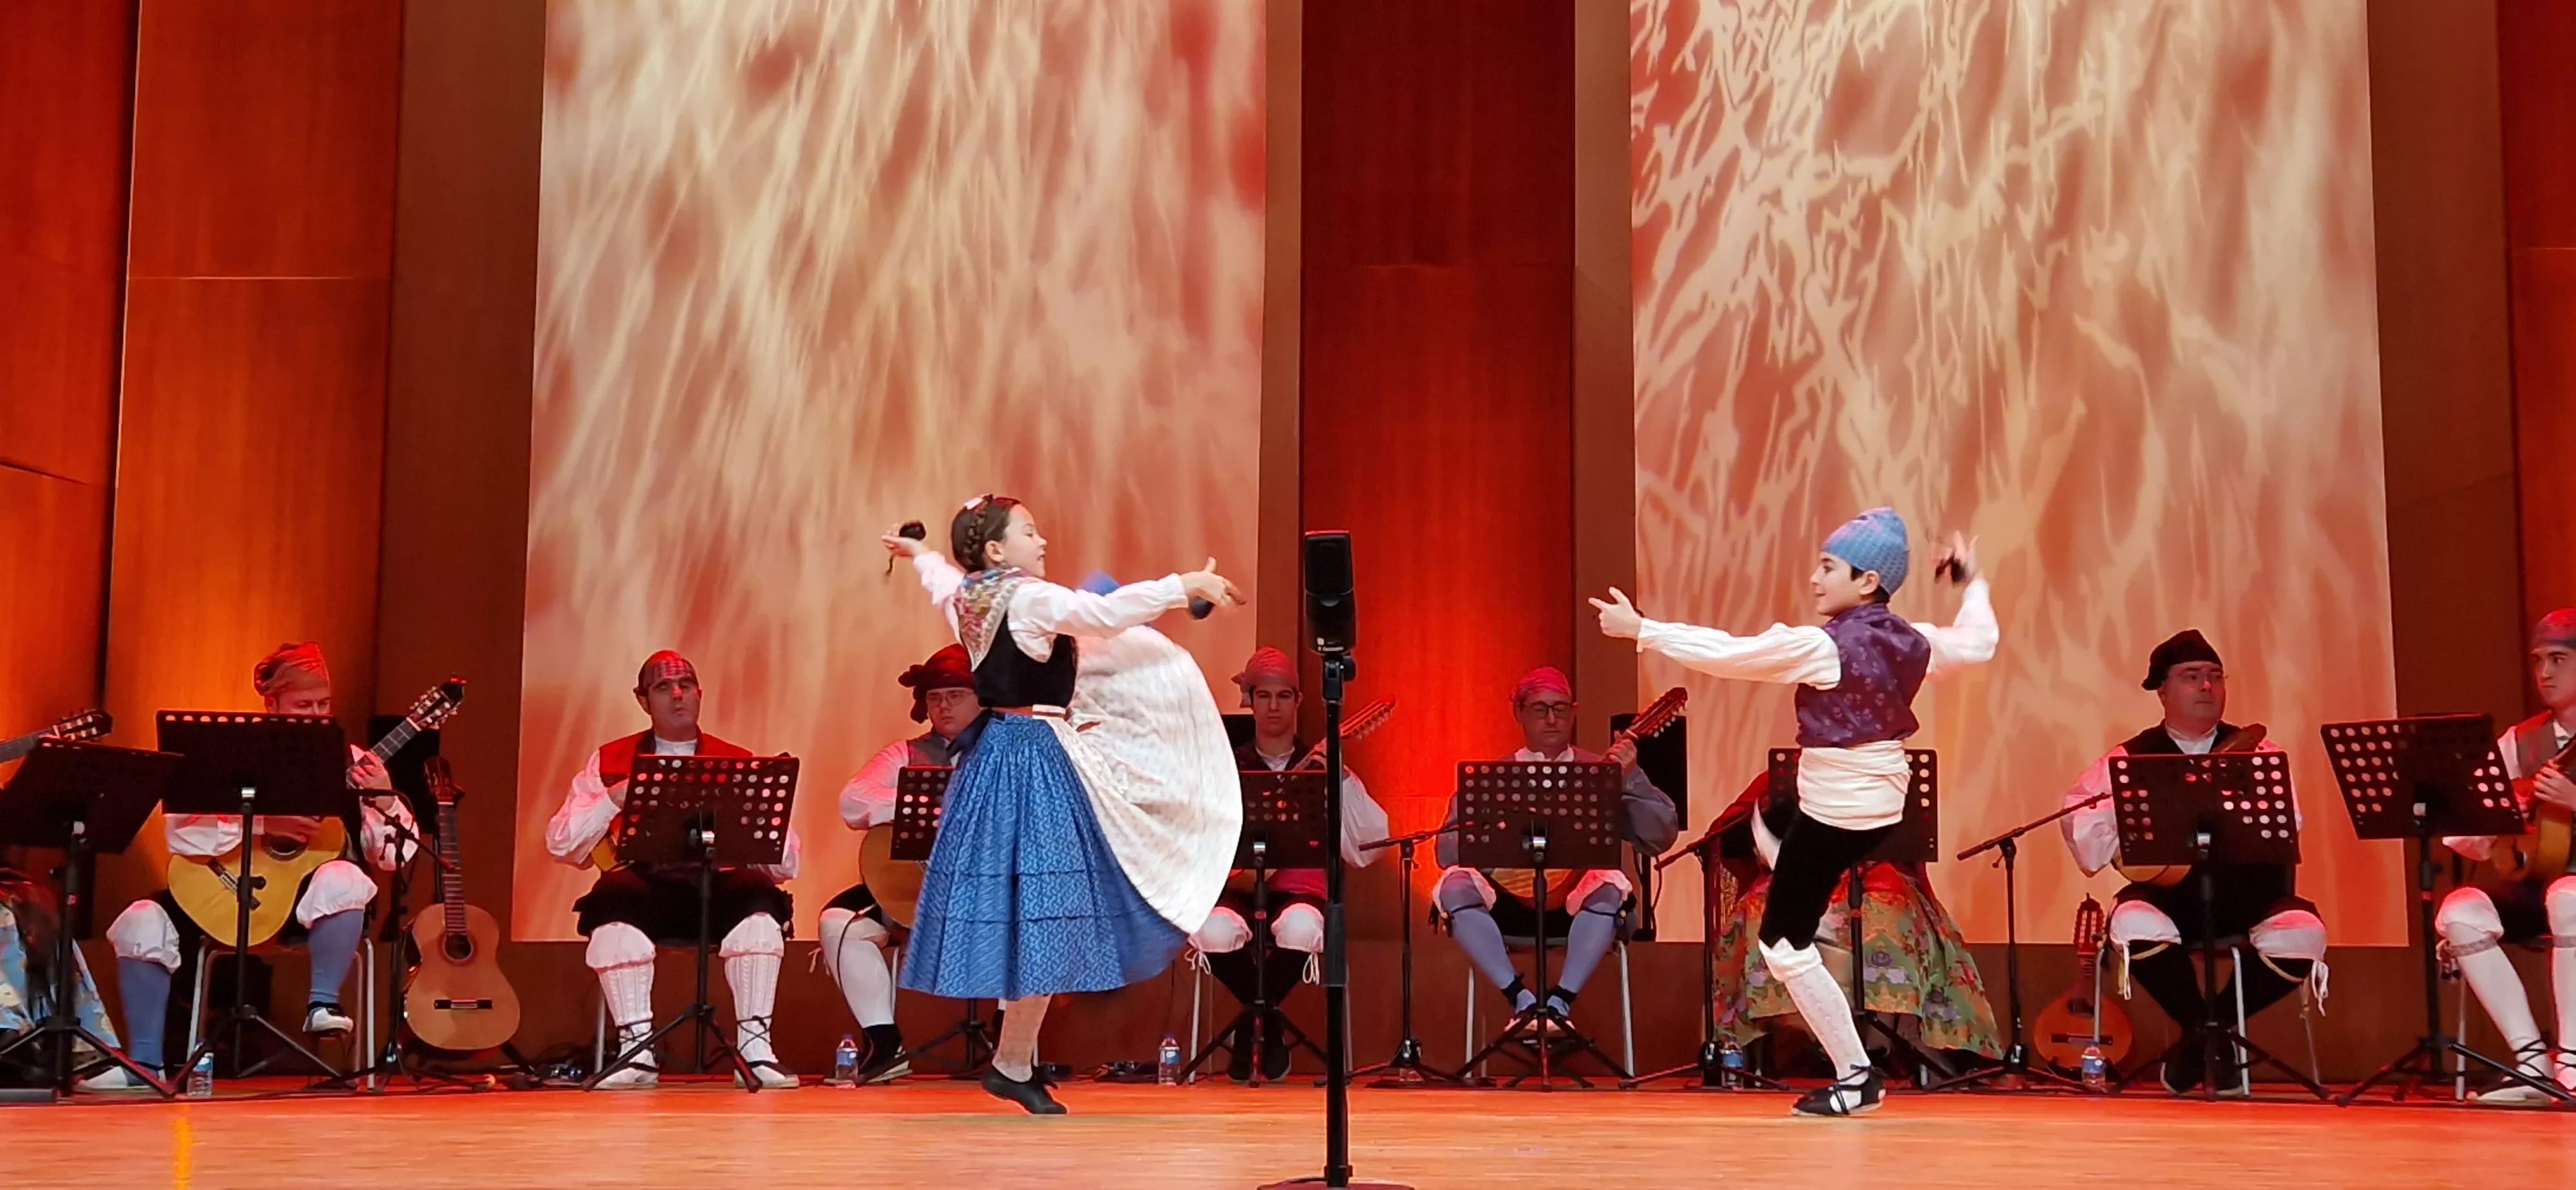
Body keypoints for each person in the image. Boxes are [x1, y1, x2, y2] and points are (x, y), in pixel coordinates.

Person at [1595, 508, 1993, 1116]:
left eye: (1828, 567)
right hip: (1880, 804)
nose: (1814, 578)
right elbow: (1978, 642)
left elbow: (1733, 654)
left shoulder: (1824, 646)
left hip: (1841, 812)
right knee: (1771, 814)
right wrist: (1973, 582)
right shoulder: (1915, 640)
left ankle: (1857, 1075)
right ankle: (1790, 861)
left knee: (1782, 942)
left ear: (1867, 581)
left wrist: (1642, 629)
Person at [885, 496, 1244, 1113]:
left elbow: (940, 580)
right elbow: (1101, 614)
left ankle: (1012, 1062)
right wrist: (1180, 586)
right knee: (1048, 912)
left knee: (1038, 915)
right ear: (997, 549)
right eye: (1030, 531)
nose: (1043, 540)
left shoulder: (970, 597)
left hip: (1000, 755)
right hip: (1035, 760)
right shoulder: (1028, 598)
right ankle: (1011, 1061)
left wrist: (920, 553)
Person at [91, 644, 414, 1090]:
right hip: (222, 893)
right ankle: (144, 1064)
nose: (318, 715)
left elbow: (395, 857)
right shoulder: (231, 752)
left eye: (324, 705)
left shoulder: (354, 761)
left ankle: (322, 1005)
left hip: (309, 905)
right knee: (139, 920)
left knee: (346, 876)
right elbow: (180, 834)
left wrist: (383, 794)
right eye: (305, 705)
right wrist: (262, 823)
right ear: (272, 703)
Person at [2057, 629, 2325, 1095]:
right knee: (2133, 922)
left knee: (2305, 932)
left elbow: (2286, 827)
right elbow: (2085, 828)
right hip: (2169, 897)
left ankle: (2200, 1037)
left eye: (2215, 677)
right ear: (2162, 691)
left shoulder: (2261, 755)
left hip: (2247, 898)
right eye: (2192, 677)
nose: (2206, 687)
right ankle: (2213, 1038)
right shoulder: (2128, 759)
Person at [544, 650, 803, 1089]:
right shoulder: (609, 760)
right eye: (663, 688)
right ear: (643, 700)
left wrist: (753, 816)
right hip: (648, 885)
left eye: (686, 685)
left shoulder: (735, 759)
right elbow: (561, 844)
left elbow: (787, 863)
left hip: (717, 885)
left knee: (760, 896)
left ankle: (756, 1049)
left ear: (700, 694)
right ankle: (636, 1050)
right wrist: (613, 799)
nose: (678, 695)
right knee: (612, 899)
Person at [1432, 666, 1678, 1042]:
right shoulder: (1491, 777)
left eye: (1561, 708)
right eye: (1540, 709)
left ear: (1574, 712)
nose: (1552, 719)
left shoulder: (1602, 772)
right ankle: (1523, 1001)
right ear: (1519, 713)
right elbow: (1446, 850)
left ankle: (1560, 1002)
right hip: (1506, 910)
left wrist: (1629, 777)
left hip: (1576, 909)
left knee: (1609, 885)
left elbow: (1659, 837)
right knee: (1454, 887)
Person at [1703, 771, 2002, 1066]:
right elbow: (1728, 837)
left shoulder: (1883, 770)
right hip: (1801, 869)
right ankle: (1799, 1034)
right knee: (1764, 912)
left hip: (1876, 876)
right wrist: (1767, 817)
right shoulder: (1787, 775)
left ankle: (1877, 1040)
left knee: (1890, 913)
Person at [1188, 645, 1388, 1082]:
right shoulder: (1225, 766)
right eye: (1264, 696)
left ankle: (1251, 1023)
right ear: (1251, 702)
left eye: (1283, 697)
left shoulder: (1320, 766)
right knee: (1212, 930)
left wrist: (1341, 776)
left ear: (1298, 702)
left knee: (1301, 929)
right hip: (1236, 887)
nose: (1273, 706)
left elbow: (1368, 848)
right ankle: (1269, 1019)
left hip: (1301, 890)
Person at [820, 644, 981, 1084]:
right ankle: (885, 1045)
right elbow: (852, 801)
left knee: (1031, 916)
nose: (943, 706)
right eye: (934, 698)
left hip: (987, 893)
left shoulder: (1008, 751)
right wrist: (922, 807)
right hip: (913, 891)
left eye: (955, 695)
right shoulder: (903, 754)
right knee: (839, 923)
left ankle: (1010, 1051)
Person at [2436, 609, 2576, 1102]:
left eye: (2559, 660)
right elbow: (2461, 831)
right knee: (2460, 912)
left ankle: (2574, 1062)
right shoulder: (2521, 740)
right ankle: (2533, 1061)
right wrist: (2500, 816)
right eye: (2540, 660)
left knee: (2567, 896)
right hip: (2537, 880)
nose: (2545, 673)